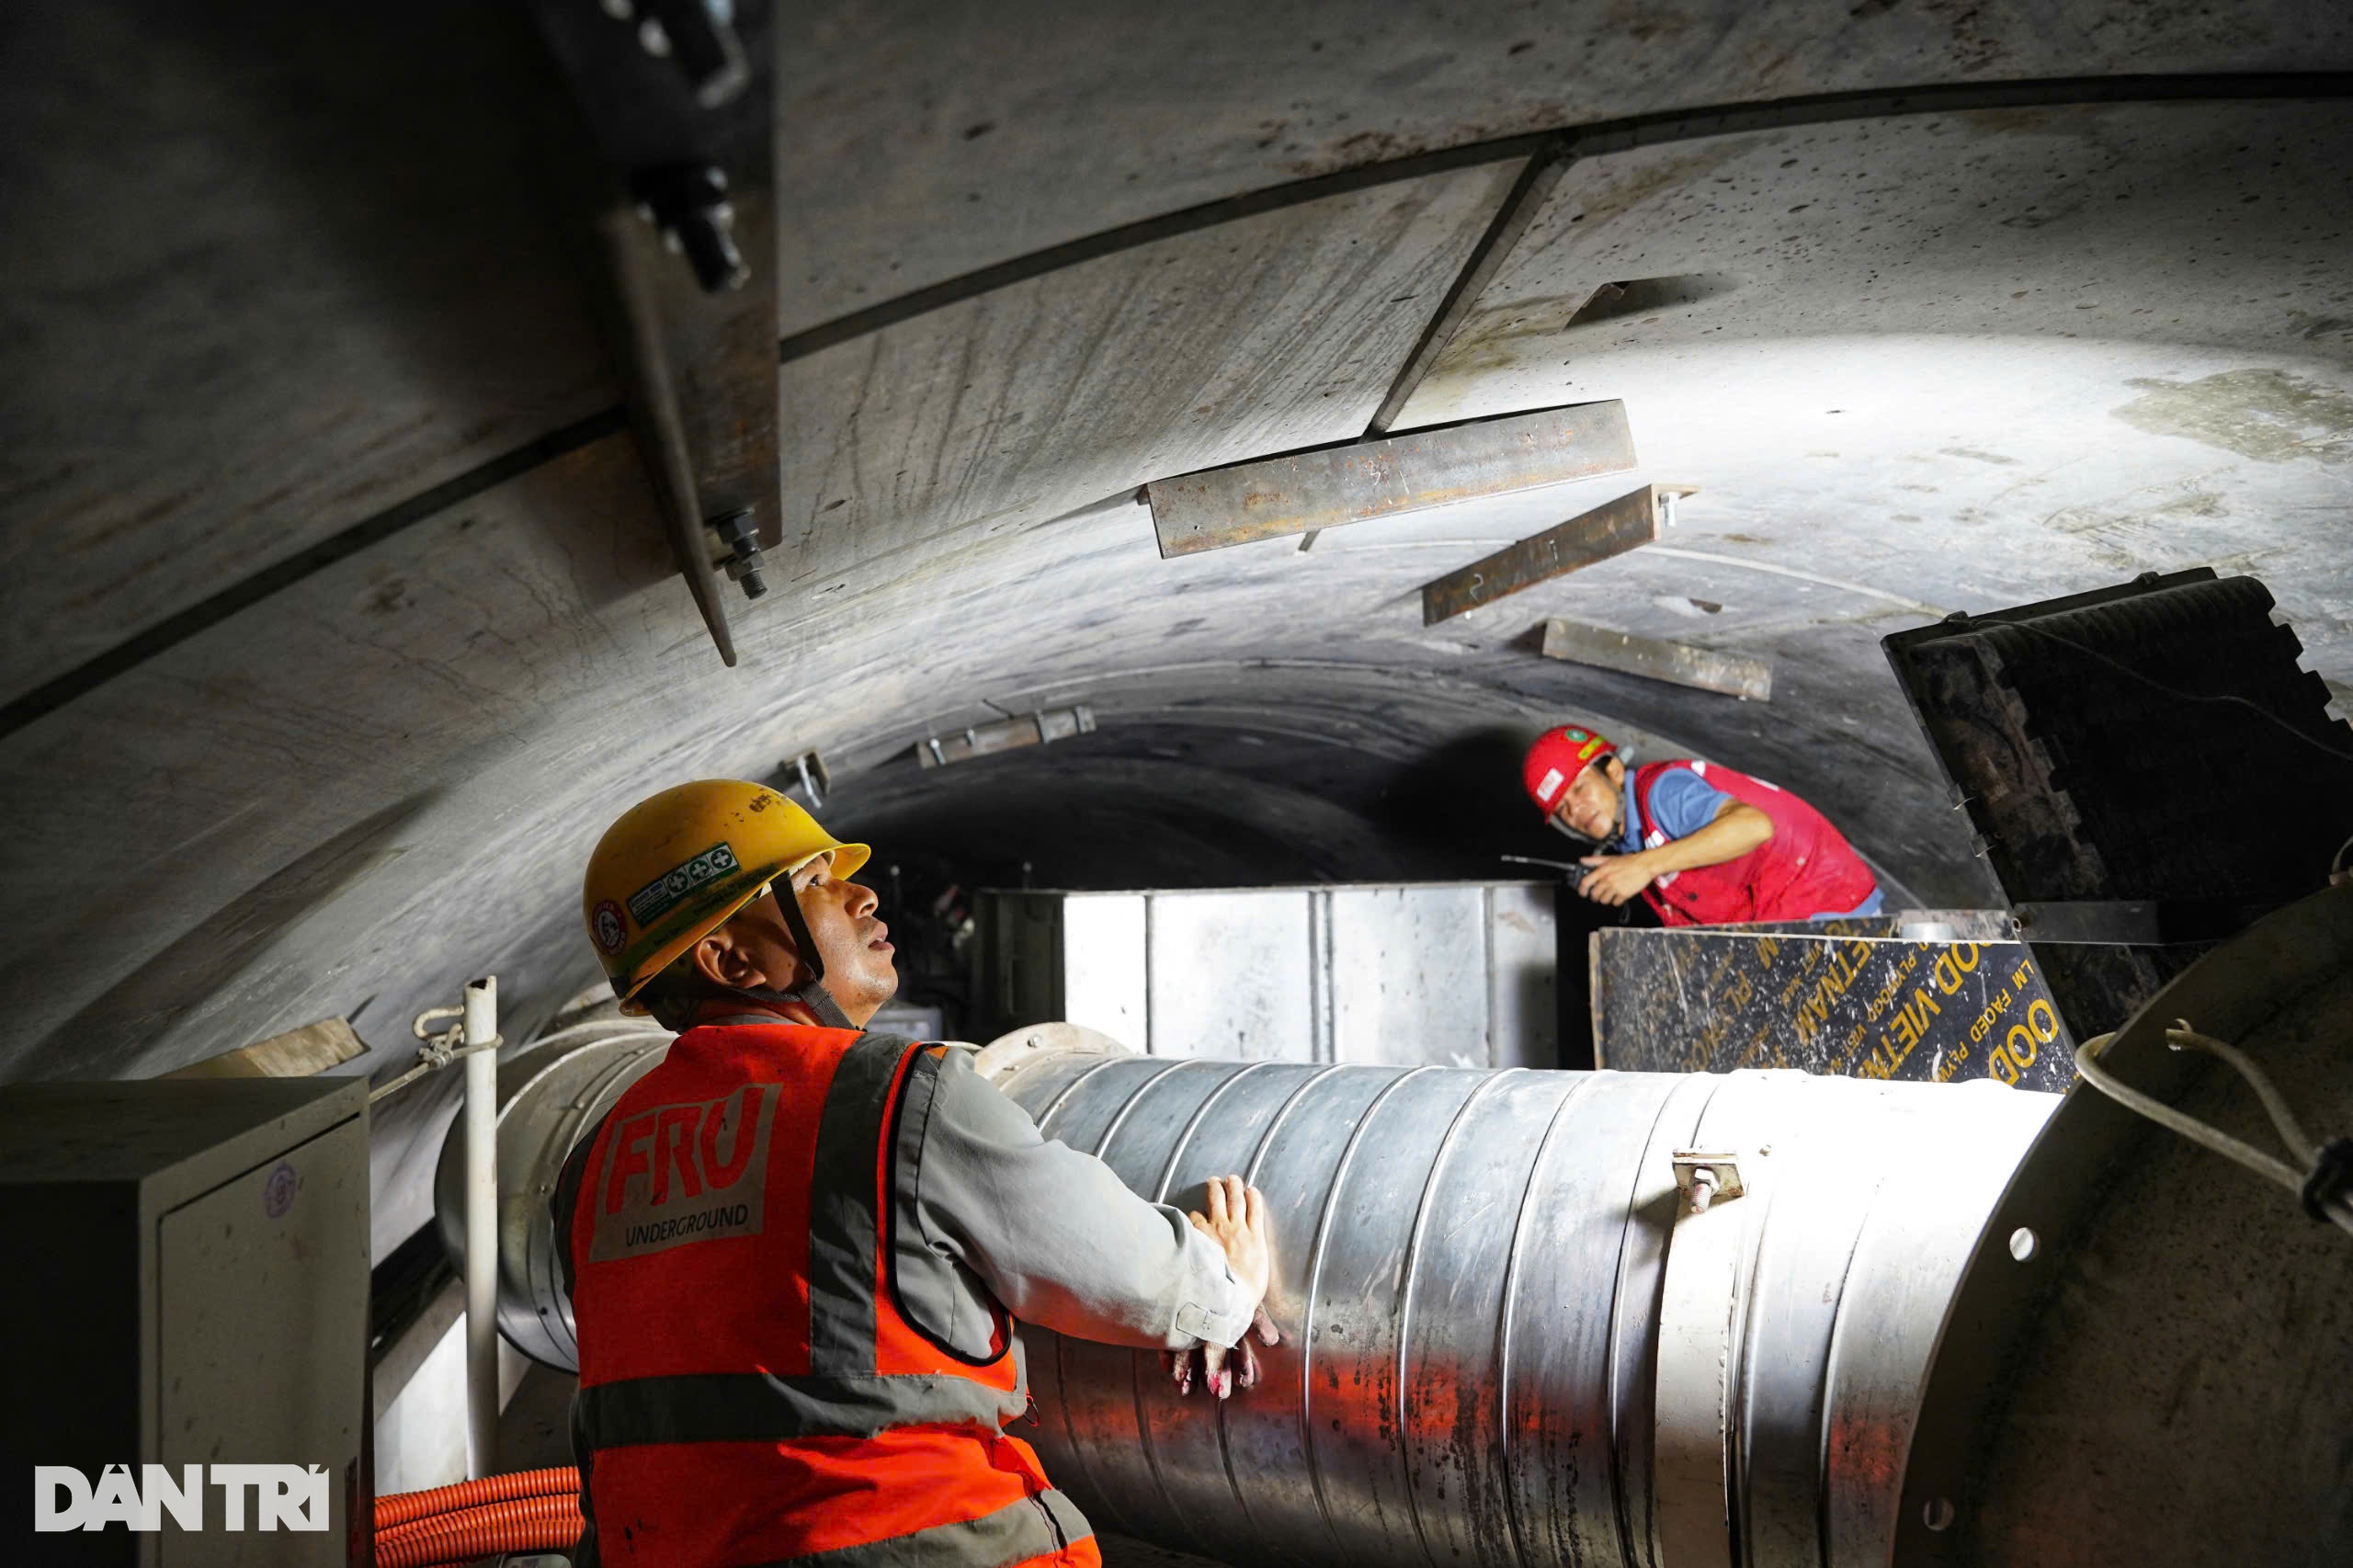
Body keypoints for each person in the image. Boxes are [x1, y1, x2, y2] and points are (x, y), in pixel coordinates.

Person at [556, 779, 1279, 1568]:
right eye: (812, 884)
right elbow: (1135, 1279)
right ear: (731, 961)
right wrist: (1224, 1284)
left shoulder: (593, 1164)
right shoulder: (895, 1097)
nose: (861, 894)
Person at [1522, 725, 1881, 925]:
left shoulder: (1661, 793)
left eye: (1580, 788)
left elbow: (1753, 826)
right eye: (1563, 809)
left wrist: (1642, 866)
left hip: (1832, 909)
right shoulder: (1632, 842)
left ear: (1613, 772)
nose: (1577, 809)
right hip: (1787, 920)